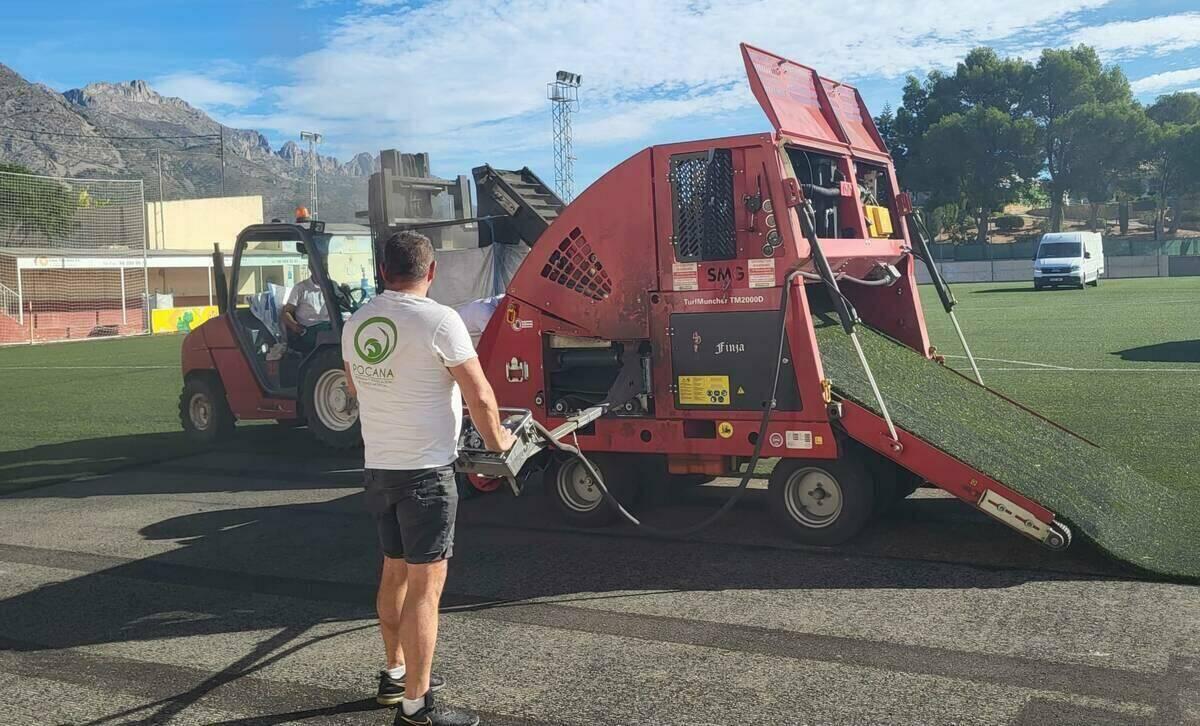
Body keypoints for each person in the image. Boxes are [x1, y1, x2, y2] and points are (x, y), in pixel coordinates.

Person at [342, 231, 514, 726]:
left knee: (392, 570)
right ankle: (417, 708)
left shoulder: (357, 323)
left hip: (379, 469)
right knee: (425, 588)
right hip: (426, 474)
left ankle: (395, 675)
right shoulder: (442, 320)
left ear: (380, 272)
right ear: (432, 271)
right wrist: (499, 441)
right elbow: (479, 396)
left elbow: (356, 386)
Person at [281, 274, 330, 351]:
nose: (325, 268)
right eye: (322, 265)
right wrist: (296, 328)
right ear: (311, 267)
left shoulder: (331, 286)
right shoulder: (301, 288)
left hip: (330, 325)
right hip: (311, 329)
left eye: (326, 265)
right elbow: (286, 312)